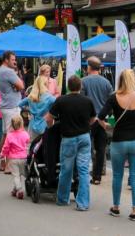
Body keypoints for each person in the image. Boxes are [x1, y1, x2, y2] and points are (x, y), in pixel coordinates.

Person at [100, 68, 135, 221]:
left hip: (119, 140)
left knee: (117, 175)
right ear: (133, 81)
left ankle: (116, 207)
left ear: (119, 80)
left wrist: (106, 125)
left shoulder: (114, 97)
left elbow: (100, 116)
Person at [49, 75, 96, 210]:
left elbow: (49, 118)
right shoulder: (88, 101)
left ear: (68, 87)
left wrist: (51, 127)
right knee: (83, 170)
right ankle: (83, 203)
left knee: (66, 169)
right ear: (80, 86)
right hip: (84, 137)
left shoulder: (61, 100)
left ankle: (63, 199)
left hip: (68, 138)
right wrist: (85, 125)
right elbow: (93, 119)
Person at [81, 57, 113, 185]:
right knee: (100, 149)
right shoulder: (107, 83)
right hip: (101, 120)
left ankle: (83, 173)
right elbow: (111, 101)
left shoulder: (83, 81)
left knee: (85, 148)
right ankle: (97, 176)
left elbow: (82, 101)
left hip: (88, 120)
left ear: (89, 67)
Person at [0, 51, 25, 142]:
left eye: (15, 60)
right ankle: (8, 152)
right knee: (13, 135)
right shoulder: (8, 71)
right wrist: (17, 85)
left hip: (7, 106)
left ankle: (2, 151)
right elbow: (21, 86)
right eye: (12, 60)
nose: (14, 62)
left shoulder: (2, 69)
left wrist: (16, 86)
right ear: (6, 60)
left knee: (6, 135)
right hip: (11, 108)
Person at [1, 114, 30, 199]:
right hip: (24, 158)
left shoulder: (10, 135)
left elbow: (6, 147)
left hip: (13, 159)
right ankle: (15, 189)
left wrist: (3, 155)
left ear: (12, 125)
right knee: (21, 174)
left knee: (16, 175)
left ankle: (19, 190)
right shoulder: (25, 134)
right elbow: (28, 142)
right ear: (22, 123)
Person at [19, 75, 56, 140]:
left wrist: (29, 109)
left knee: (33, 145)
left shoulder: (31, 97)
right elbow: (59, 105)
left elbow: (19, 104)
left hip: (32, 126)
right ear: (45, 84)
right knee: (44, 145)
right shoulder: (50, 98)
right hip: (44, 125)